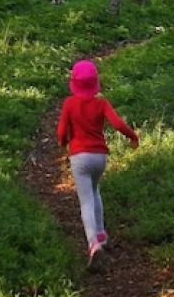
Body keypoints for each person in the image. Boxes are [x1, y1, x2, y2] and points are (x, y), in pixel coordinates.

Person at [56, 59, 139, 270]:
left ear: (73, 82)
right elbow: (118, 123)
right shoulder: (101, 104)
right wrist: (133, 136)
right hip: (99, 157)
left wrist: (63, 143)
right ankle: (101, 234)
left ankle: (93, 243)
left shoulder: (69, 104)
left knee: (86, 201)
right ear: (95, 83)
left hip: (79, 157)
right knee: (95, 192)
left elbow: (61, 131)